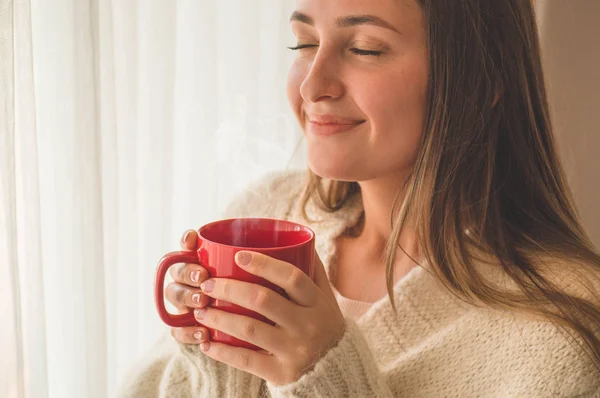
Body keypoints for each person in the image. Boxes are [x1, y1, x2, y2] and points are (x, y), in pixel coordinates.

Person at [119, 0, 600, 396]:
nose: (312, 85)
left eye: (365, 49)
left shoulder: (557, 330)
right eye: (304, 43)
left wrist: (324, 373)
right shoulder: (269, 208)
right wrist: (216, 353)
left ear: (482, 80)